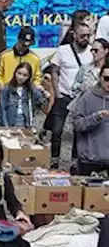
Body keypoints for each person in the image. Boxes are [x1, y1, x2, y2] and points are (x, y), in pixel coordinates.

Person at [48, 22, 93, 162]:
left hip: (82, 98)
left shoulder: (92, 52)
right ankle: (54, 159)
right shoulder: (63, 50)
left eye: (88, 35)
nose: (85, 38)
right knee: (57, 130)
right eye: (82, 35)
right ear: (73, 34)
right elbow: (54, 71)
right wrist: (56, 92)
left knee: (78, 131)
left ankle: (75, 160)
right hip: (64, 94)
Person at [70, 63, 109, 175]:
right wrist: (96, 117)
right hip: (90, 161)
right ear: (99, 77)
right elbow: (77, 124)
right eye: (106, 78)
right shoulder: (87, 98)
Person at [0, 61, 51, 129]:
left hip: (25, 122)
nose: (21, 77)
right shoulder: (7, 89)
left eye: (25, 75)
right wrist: (5, 127)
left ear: (29, 77)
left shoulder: (31, 89)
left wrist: (46, 95)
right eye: (19, 73)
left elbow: (41, 104)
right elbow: (2, 110)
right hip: (10, 122)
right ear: (15, 73)